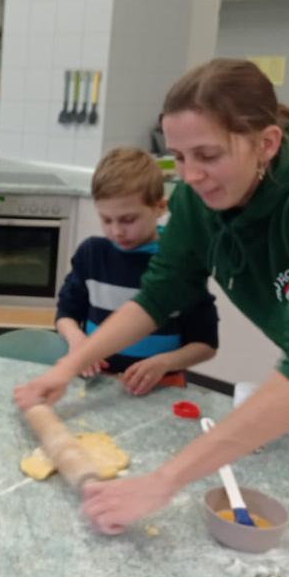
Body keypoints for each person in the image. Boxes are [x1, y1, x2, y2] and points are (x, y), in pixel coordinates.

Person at [15, 58, 289, 533]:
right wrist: (69, 366)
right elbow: (159, 296)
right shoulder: (201, 200)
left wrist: (163, 481)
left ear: (267, 143)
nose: (191, 175)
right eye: (179, 156)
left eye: (208, 155)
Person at [56, 147, 217, 394]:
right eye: (106, 220)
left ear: (160, 207)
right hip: (98, 384)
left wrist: (165, 363)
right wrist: (79, 343)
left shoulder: (179, 263)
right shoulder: (92, 254)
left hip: (162, 388)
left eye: (128, 219)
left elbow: (206, 345)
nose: (117, 231)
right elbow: (65, 314)